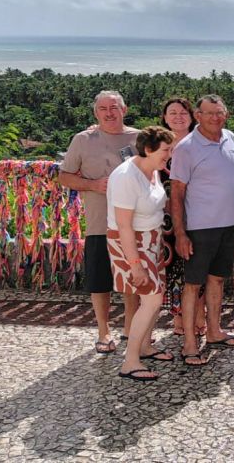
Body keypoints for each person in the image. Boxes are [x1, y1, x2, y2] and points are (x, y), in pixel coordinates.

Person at [58, 90, 139, 355]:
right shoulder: (83, 140)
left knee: (131, 278)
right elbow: (65, 177)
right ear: (96, 113)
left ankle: (130, 326)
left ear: (124, 110)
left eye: (114, 107)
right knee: (99, 280)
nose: (109, 112)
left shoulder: (138, 138)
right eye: (103, 108)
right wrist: (93, 184)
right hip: (98, 223)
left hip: (133, 223)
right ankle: (104, 331)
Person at [171, 95, 234, 365]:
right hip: (199, 229)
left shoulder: (230, 137)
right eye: (210, 113)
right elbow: (177, 193)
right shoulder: (186, 147)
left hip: (229, 224)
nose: (216, 117)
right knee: (192, 285)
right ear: (198, 115)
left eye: (220, 112)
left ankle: (215, 332)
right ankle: (189, 343)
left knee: (217, 280)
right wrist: (180, 233)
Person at [107, 126, 175, 381]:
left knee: (155, 296)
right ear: (148, 149)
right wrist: (135, 264)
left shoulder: (152, 170)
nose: (169, 155)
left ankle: (145, 346)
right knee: (153, 298)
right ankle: (130, 360)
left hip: (151, 239)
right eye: (166, 150)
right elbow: (124, 226)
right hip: (130, 243)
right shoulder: (126, 176)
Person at [158, 98, 206, 337]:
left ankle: (199, 313)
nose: (178, 117)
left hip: (199, 213)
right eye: (172, 113)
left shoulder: (201, 142)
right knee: (174, 267)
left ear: (192, 116)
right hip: (167, 217)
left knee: (199, 266)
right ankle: (178, 316)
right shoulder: (157, 144)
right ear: (164, 117)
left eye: (182, 112)